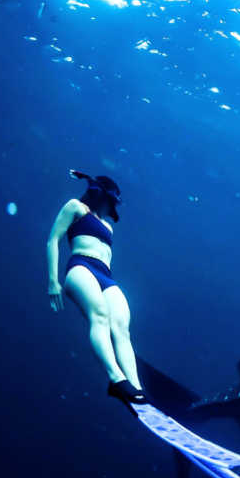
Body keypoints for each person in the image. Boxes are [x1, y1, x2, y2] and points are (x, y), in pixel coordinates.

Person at [47, 170, 147, 414]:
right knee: (99, 316)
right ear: (100, 197)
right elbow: (53, 240)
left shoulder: (108, 228)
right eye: (109, 205)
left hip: (106, 275)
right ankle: (116, 379)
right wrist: (53, 281)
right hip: (81, 266)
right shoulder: (75, 207)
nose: (110, 212)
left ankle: (136, 387)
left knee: (122, 327)